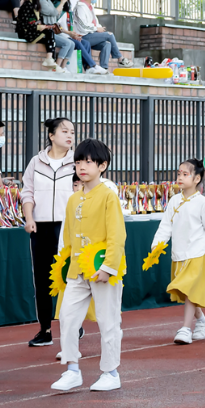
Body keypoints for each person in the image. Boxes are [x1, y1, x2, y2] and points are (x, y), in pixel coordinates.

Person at [51, 138, 125, 393]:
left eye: (89, 162)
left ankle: (110, 372)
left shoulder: (108, 196)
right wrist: (64, 266)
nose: (82, 167)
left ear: (102, 165)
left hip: (103, 270)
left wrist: (108, 267)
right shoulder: (73, 200)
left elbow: (117, 236)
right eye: (79, 162)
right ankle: (72, 369)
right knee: (68, 318)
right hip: (76, 271)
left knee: (108, 321)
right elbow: (68, 238)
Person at [20, 117, 77, 348]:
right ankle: (45, 330)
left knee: (69, 278)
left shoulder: (78, 163)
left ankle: (73, 324)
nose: (70, 135)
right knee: (42, 281)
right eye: (64, 131)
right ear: (51, 136)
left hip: (68, 227)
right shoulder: (36, 162)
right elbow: (27, 193)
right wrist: (29, 218)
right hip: (41, 227)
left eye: (72, 131)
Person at [151, 158, 205, 345]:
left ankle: (186, 328)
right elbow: (166, 226)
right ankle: (202, 321)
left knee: (188, 290)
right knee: (188, 293)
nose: (180, 177)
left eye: (185, 174)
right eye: (179, 173)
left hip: (195, 255)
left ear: (197, 179)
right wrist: (157, 245)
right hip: (178, 255)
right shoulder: (174, 200)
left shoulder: (202, 203)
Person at [75, 0, 127, 74]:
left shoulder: (90, 7)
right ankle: (120, 58)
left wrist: (100, 29)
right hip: (83, 35)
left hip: (91, 34)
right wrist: (96, 29)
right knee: (109, 35)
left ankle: (104, 68)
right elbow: (83, 25)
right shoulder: (80, 7)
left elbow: (95, 22)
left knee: (107, 44)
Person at [16, 0, 60, 67]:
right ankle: (49, 59)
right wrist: (39, 27)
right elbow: (23, 24)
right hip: (26, 33)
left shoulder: (36, 5)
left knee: (50, 39)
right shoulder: (27, 5)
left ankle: (52, 62)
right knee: (49, 33)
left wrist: (42, 25)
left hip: (32, 31)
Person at [36, 0, 74, 73]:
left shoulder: (48, 0)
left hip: (52, 29)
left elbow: (56, 16)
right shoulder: (43, 2)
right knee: (67, 43)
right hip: (47, 30)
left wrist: (62, 2)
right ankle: (56, 67)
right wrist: (62, 2)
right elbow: (54, 14)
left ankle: (63, 67)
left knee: (72, 44)